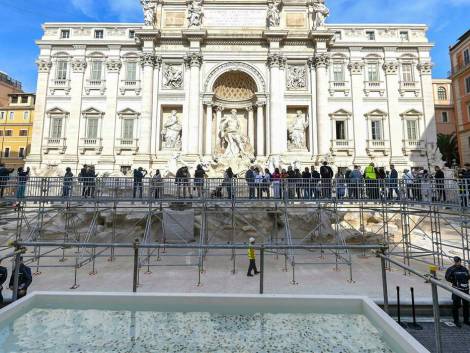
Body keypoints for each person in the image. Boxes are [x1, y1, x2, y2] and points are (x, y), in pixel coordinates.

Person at [445, 256, 470, 327]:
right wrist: (454, 280)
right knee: (456, 305)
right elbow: (447, 277)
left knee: (466, 305)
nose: (457, 262)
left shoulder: (464, 269)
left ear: (460, 261)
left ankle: (466, 320)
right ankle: (456, 320)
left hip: (465, 290)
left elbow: (467, 277)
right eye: (456, 261)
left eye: (458, 261)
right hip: (456, 289)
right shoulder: (451, 269)